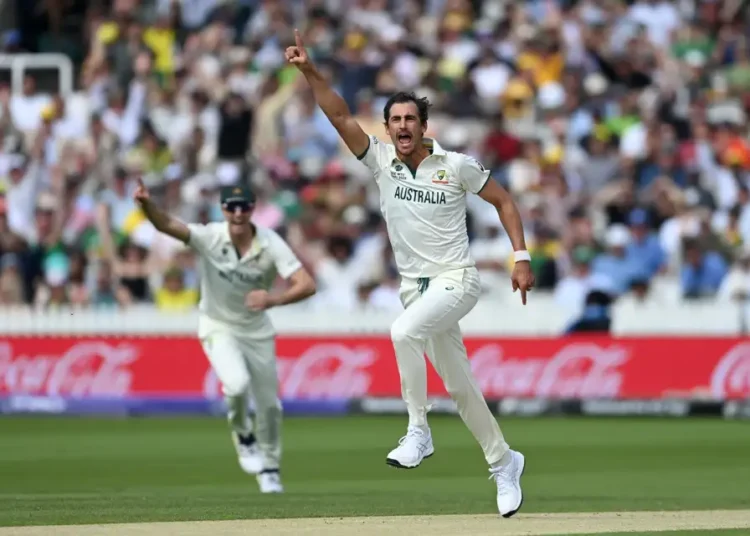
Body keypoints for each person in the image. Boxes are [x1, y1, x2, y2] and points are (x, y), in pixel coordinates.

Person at [285, 30, 535, 518]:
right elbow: (338, 115)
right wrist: (310, 71)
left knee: (403, 333)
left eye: (409, 119)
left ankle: (418, 430)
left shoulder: (455, 165)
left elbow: (504, 201)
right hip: (414, 289)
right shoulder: (381, 161)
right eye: (395, 120)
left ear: (423, 126)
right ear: (387, 127)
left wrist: (520, 256)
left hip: (457, 278)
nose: (402, 127)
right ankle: (504, 462)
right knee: (461, 388)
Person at [133, 178, 316, 494]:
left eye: (244, 206)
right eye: (232, 207)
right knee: (236, 384)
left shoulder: (270, 242)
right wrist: (148, 205)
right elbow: (166, 225)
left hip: (256, 330)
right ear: (223, 209)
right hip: (218, 325)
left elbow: (307, 284)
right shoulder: (210, 236)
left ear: (252, 208)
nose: (238, 213)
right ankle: (243, 435)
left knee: (269, 406)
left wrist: (273, 299)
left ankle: (270, 469)